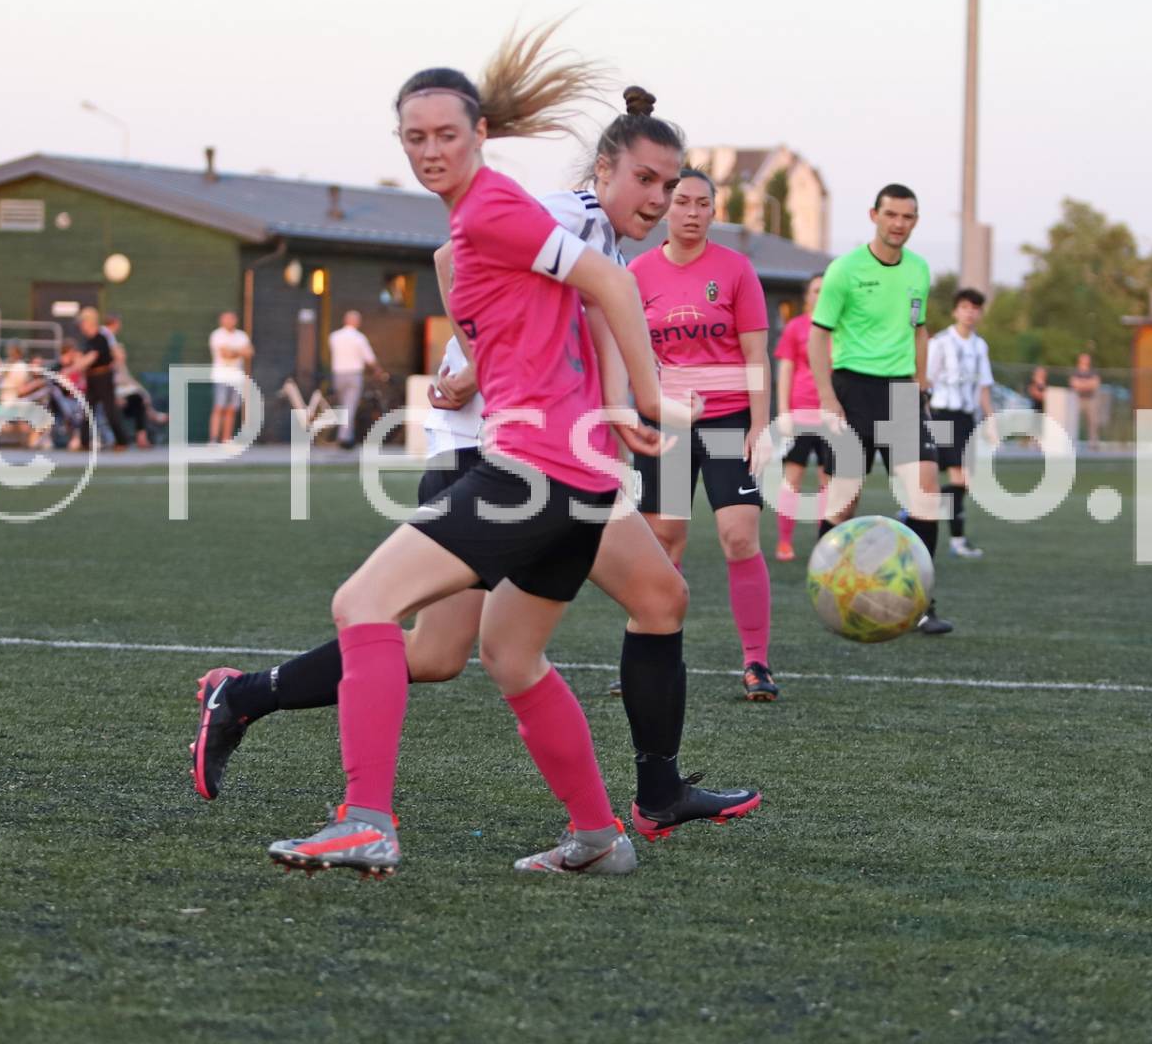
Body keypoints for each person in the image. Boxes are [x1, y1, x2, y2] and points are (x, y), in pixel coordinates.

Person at [196, 52, 755, 877]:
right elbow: (584, 297)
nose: (431, 151)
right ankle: (600, 837)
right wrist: (591, 396)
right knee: (509, 655)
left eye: (446, 135)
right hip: (578, 477)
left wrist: (638, 396)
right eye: (415, 137)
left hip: (531, 469)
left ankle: (364, 821)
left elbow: (604, 284)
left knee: (363, 605)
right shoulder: (499, 214)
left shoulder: (496, 207)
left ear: (480, 134)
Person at [628, 168, 778, 701]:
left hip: (729, 421)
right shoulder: (637, 273)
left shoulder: (736, 270)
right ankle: (651, 657)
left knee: (739, 537)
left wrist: (759, 425)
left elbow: (757, 355)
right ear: (665, 207)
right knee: (664, 541)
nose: (692, 212)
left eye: (703, 204)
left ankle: (756, 661)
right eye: (683, 202)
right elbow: (631, 355)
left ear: (715, 211)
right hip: (666, 423)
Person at [807, 183, 953, 635]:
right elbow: (818, 336)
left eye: (907, 217)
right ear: (874, 216)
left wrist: (920, 387)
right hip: (852, 390)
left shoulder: (919, 269)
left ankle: (922, 604)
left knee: (925, 493)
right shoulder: (845, 270)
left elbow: (919, 330)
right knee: (843, 502)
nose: (898, 224)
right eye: (891, 215)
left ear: (915, 222)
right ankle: (830, 594)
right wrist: (828, 398)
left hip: (902, 394)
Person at [924, 288, 995, 560]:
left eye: (975, 308)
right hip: (942, 415)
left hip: (966, 419)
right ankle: (957, 541)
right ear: (955, 311)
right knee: (958, 478)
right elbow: (926, 381)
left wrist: (991, 421)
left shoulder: (980, 346)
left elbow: (984, 387)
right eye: (965, 307)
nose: (970, 313)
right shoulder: (941, 342)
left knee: (965, 482)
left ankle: (917, 510)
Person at [773, 274, 828, 563]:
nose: (821, 294)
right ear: (807, 295)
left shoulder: (841, 327)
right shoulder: (796, 327)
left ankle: (826, 543)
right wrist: (783, 411)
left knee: (828, 481)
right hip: (801, 413)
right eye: (817, 290)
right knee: (792, 478)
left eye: (826, 290)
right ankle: (784, 542)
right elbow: (785, 369)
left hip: (832, 417)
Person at [328, 310, 387, 447]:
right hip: (353, 374)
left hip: (338, 374)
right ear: (356, 322)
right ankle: (344, 438)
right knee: (350, 406)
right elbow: (369, 358)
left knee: (343, 405)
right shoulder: (359, 338)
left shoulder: (334, 337)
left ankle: (346, 434)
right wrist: (378, 370)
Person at [75, 307, 130, 451]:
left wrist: (73, 368)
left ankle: (121, 441)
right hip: (91, 377)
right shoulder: (88, 339)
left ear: (90, 322)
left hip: (103, 377)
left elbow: (92, 357)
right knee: (88, 409)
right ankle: (84, 442)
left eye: (83, 322)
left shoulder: (101, 337)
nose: (81, 326)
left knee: (110, 410)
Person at [207, 312, 252, 445]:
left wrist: (234, 351)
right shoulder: (217, 335)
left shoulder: (241, 335)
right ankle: (213, 439)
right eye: (226, 319)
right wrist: (240, 351)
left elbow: (249, 352)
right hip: (221, 376)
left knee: (232, 409)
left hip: (237, 377)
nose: (229, 321)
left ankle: (226, 439)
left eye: (231, 319)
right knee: (219, 407)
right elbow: (226, 354)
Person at [1070, 352, 1103, 448]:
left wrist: (1082, 384)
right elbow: (1074, 384)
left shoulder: (1093, 372)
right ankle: (1072, 441)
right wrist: (1087, 384)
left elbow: (1095, 384)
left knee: (1093, 422)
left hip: (1091, 399)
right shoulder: (1076, 372)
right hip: (1078, 399)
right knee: (1074, 421)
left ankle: (1093, 443)